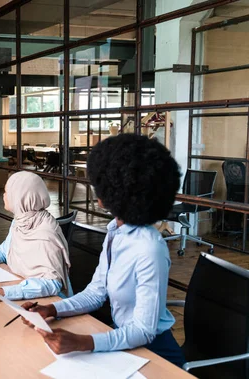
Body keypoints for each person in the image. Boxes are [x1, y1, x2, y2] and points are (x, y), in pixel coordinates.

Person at [21, 134, 186, 367]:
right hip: (124, 345)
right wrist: (50, 309)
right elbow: (96, 293)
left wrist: (83, 342)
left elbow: (143, 331)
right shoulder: (115, 232)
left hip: (156, 357)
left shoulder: (150, 248)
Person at [0, 171, 71, 305]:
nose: (4, 195)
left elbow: (52, 284)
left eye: (7, 192)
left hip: (48, 303)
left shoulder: (46, 232)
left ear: (21, 197)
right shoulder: (21, 221)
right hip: (22, 288)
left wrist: (3, 292)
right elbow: (5, 251)